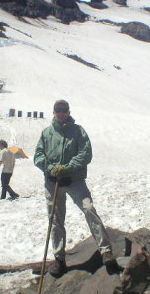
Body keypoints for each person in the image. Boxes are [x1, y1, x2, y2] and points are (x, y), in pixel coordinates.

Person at [34, 99, 117, 277]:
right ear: (54, 112)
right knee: (55, 220)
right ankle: (59, 259)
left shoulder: (78, 131)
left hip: (74, 181)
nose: (61, 113)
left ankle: (106, 252)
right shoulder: (47, 133)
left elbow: (85, 154)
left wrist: (67, 167)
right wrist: (50, 169)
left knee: (89, 210)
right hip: (53, 182)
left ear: (69, 112)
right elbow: (38, 155)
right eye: (58, 110)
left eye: (64, 110)